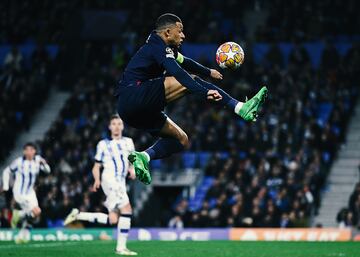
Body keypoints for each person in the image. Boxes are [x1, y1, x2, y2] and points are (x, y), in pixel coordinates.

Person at [116, 13, 268, 185]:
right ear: (167, 32)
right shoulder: (157, 47)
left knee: (181, 139)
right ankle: (240, 107)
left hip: (131, 111)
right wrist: (203, 92)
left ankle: (143, 157)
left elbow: (184, 61)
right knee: (191, 80)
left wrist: (208, 71)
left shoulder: (165, 47)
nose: (183, 35)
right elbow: (178, 72)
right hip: (133, 95)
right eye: (179, 31)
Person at [64, 115, 137, 256]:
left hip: (121, 181)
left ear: (122, 126)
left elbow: (132, 160)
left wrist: (132, 169)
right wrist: (96, 180)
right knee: (127, 210)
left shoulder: (129, 142)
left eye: (119, 123)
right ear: (109, 127)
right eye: (114, 124)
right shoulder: (103, 144)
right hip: (109, 179)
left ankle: (78, 215)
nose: (116, 126)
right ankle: (121, 248)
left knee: (113, 219)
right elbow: (96, 166)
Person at [1, 142, 51, 243]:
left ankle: (22, 235)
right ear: (24, 151)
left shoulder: (37, 160)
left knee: (36, 215)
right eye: (27, 150)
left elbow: (47, 171)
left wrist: (44, 163)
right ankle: (19, 214)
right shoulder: (19, 162)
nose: (29, 152)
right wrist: (6, 186)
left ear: (35, 151)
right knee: (36, 211)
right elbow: (6, 171)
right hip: (19, 192)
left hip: (30, 193)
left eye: (31, 150)